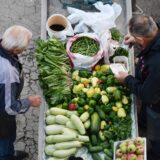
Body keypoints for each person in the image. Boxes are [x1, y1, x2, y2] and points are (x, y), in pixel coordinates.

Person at [115, 15, 160, 160]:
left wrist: (126, 79)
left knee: (156, 134)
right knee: (145, 116)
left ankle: (154, 153)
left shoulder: (156, 64)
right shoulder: (155, 30)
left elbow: (147, 95)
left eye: (136, 38)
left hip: (157, 105)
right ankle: (143, 122)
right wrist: (135, 40)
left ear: (142, 39)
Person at [0, 25, 42, 160]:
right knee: (5, 140)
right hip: (1, 118)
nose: (26, 49)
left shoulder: (3, 43)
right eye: (24, 48)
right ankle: (7, 155)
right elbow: (9, 108)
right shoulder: (7, 73)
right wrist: (29, 101)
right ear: (16, 50)